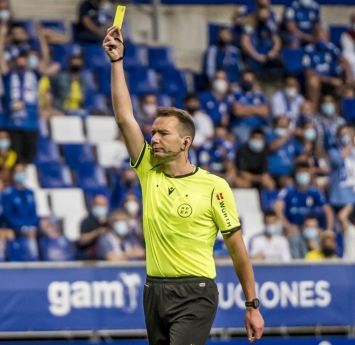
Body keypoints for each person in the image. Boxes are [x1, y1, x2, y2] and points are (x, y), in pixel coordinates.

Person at [104, 26, 264, 344]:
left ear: (185, 142)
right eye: (153, 132)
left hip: (196, 292)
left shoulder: (214, 186)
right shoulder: (149, 168)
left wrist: (252, 304)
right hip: (154, 291)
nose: (155, 139)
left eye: (163, 133)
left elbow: (237, 249)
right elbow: (124, 118)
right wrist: (117, 62)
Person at [0, 21, 50, 164]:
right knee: (15, 161)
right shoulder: (9, 76)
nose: (21, 63)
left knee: (29, 160)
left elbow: (45, 60)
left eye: (24, 60)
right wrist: (1, 35)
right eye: (19, 60)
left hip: (32, 124)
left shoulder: (34, 75)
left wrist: (41, 39)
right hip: (12, 124)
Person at [274, 161, 334, 230]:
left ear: (309, 174)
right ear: (296, 174)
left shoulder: (315, 191)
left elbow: (328, 210)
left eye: (305, 172)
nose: (302, 174)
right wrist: (287, 226)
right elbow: (277, 207)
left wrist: (329, 230)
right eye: (300, 172)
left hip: (310, 228)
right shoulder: (288, 190)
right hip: (293, 228)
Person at [303, 29, 343, 106]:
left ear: (327, 37)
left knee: (342, 85)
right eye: (319, 36)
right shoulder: (308, 50)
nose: (321, 38)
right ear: (314, 37)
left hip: (332, 79)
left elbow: (342, 61)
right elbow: (308, 72)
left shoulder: (332, 49)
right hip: (320, 79)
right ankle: (313, 112)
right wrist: (329, 80)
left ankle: (338, 114)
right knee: (313, 81)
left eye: (323, 36)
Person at [0, 164, 39, 238]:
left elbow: (34, 212)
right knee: (28, 236)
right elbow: (8, 215)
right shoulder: (8, 193)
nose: (20, 174)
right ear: (13, 174)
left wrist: (32, 226)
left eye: (22, 171)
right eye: (17, 172)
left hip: (31, 227)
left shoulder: (30, 192)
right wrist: (23, 227)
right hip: (16, 227)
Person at [230, 71, 269, 143]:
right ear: (241, 80)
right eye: (246, 80)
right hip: (242, 126)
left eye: (250, 80)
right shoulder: (236, 93)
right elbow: (238, 112)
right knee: (245, 140)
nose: (248, 82)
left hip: (260, 126)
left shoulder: (259, 95)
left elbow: (265, 111)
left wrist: (245, 109)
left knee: (269, 136)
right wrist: (256, 110)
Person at [240, 6, 282, 71]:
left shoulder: (269, 23)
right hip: (254, 52)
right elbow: (245, 42)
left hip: (268, 53)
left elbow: (277, 41)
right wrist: (256, 56)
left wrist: (273, 52)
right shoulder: (250, 22)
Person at [266, 116, 305, 186]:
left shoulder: (292, 140)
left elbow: (303, 152)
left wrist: (303, 137)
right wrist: (288, 135)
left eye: (285, 126)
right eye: (280, 125)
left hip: (287, 174)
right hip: (271, 174)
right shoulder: (270, 136)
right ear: (275, 125)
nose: (283, 128)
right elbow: (272, 147)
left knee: (290, 183)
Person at [78, 194, 110, 260]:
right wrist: (97, 232)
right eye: (98, 205)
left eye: (103, 205)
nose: (101, 207)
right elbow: (82, 240)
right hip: (91, 255)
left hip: (108, 252)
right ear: (93, 205)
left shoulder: (110, 220)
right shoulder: (87, 221)